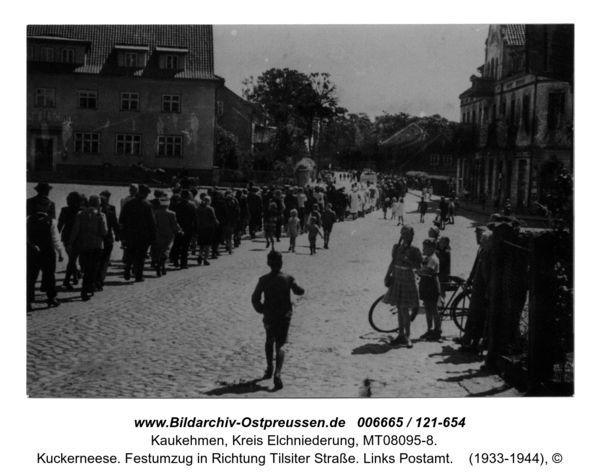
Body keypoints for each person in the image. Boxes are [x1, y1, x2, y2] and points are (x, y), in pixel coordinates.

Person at [251, 250, 305, 390]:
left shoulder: (263, 279)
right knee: (280, 344)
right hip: (284, 315)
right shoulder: (287, 278)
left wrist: (261, 309)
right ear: (281, 263)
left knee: (269, 339)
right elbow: (299, 291)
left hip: (269, 315)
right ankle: (278, 374)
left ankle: (269, 368)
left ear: (268, 263)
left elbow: (255, 297)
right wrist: (298, 287)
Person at [382, 225, 422, 347]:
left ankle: (407, 336)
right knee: (399, 308)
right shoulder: (396, 247)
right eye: (403, 233)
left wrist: (407, 260)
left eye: (407, 234)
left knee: (404, 309)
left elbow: (418, 266)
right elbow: (393, 262)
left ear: (411, 236)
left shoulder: (415, 250)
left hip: (407, 277)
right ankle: (401, 335)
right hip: (397, 276)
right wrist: (387, 274)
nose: (405, 236)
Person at [27, 196, 64, 310]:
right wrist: (60, 252)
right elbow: (55, 239)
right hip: (48, 252)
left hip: (32, 252)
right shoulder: (51, 221)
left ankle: (28, 300)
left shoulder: (28, 219)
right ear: (47, 207)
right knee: (49, 276)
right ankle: (51, 298)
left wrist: (31, 245)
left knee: (31, 277)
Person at [68, 195, 107, 301]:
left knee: (85, 267)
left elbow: (75, 229)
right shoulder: (101, 215)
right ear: (98, 204)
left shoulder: (81, 214)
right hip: (97, 245)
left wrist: (71, 243)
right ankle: (87, 288)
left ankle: (87, 288)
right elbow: (104, 231)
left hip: (84, 244)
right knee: (93, 269)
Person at [459, 230, 493, 353]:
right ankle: (467, 341)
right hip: (477, 289)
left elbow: (488, 275)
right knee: (472, 315)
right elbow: (475, 267)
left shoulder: (490, 254)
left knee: (480, 317)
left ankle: (475, 343)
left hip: (483, 290)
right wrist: (470, 280)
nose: (481, 242)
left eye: (483, 240)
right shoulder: (482, 251)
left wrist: (487, 289)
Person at [119, 184, 157, 282]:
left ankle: (127, 268)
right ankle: (138, 276)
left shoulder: (129, 203)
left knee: (130, 252)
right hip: (143, 235)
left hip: (130, 233)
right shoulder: (148, 205)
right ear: (145, 194)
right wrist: (153, 236)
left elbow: (121, 219)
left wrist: (123, 233)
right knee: (141, 256)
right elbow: (152, 222)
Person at [416, 239, 442, 341]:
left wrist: (416, 271)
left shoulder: (434, 259)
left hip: (432, 285)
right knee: (427, 309)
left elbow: (427, 270)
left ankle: (437, 330)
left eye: (425, 248)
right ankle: (429, 329)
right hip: (425, 284)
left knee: (434, 309)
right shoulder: (427, 257)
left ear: (432, 249)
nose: (424, 250)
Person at [57, 191, 83, 290]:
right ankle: (68, 280)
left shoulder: (64, 210)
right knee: (73, 258)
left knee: (72, 258)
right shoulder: (81, 210)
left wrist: (56, 237)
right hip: (78, 237)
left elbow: (60, 225)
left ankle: (73, 276)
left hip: (67, 237)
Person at [97, 191, 120, 290]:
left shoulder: (95, 213)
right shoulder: (110, 212)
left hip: (97, 239)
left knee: (97, 260)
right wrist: (118, 235)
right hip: (107, 238)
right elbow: (115, 225)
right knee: (105, 260)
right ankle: (100, 279)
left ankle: (96, 279)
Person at [152, 195, 181, 276]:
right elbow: (174, 225)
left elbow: (155, 224)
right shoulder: (172, 213)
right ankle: (160, 265)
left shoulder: (156, 212)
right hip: (169, 234)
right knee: (166, 250)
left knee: (160, 250)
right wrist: (178, 230)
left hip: (158, 234)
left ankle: (163, 268)